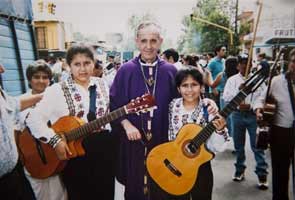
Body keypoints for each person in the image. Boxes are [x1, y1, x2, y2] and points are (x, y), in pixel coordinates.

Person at [110, 21, 218, 200]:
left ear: (160, 41)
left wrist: (205, 101)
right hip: (134, 143)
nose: (148, 46)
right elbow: (114, 104)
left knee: (163, 189)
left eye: (153, 41)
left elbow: (186, 98)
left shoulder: (170, 71)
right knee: (136, 188)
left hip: (164, 142)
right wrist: (126, 124)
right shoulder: (125, 71)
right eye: (144, 41)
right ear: (137, 41)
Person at [26, 44, 116, 200]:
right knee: (79, 194)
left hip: (103, 151)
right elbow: (34, 119)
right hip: (73, 152)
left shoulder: (103, 85)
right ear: (68, 66)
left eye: (87, 63)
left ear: (94, 64)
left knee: (105, 193)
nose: (83, 69)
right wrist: (54, 140)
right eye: (77, 64)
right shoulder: (57, 90)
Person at [168, 68, 228, 200]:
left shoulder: (209, 110)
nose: (189, 90)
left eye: (194, 85)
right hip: (175, 164)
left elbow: (217, 146)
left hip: (201, 168)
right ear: (178, 89)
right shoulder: (173, 106)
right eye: (184, 85)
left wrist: (219, 130)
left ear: (201, 87)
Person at [16, 60, 68, 200]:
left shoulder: (57, 100)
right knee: (40, 195)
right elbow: (15, 132)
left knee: (60, 194)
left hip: (56, 156)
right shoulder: (20, 102)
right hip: (33, 158)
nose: (41, 80)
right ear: (29, 79)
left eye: (45, 77)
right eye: (36, 77)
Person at [223, 54, 269, 190]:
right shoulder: (232, 80)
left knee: (257, 146)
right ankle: (239, 170)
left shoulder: (259, 80)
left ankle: (262, 174)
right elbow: (226, 96)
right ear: (238, 65)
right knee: (239, 145)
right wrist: (239, 94)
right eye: (242, 63)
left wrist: (253, 106)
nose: (244, 65)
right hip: (237, 115)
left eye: (246, 62)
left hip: (252, 115)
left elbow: (262, 96)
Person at [255, 48, 295, 200]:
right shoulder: (277, 81)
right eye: (294, 61)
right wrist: (259, 110)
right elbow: (261, 98)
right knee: (280, 173)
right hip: (281, 133)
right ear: (289, 63)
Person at [0, 62, 43, 200]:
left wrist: (46, 95)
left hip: (15, 175)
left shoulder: (1, 94)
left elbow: (15, 104)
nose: (2, 69)